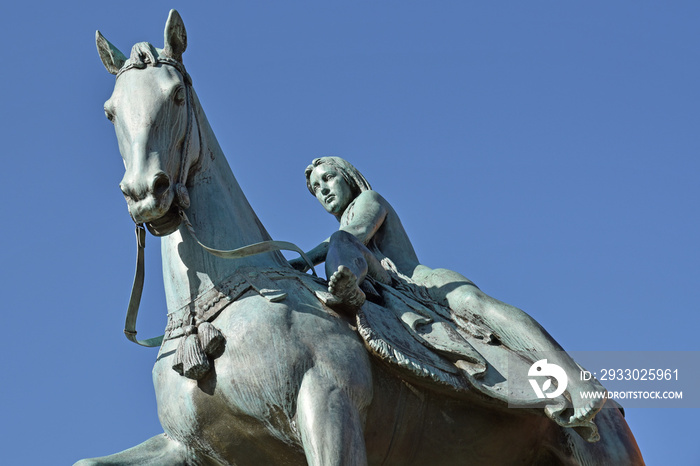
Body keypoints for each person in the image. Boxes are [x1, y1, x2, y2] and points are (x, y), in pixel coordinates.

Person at [290, 156, 605, 431]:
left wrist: (308, 259)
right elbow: (328, 245)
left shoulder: (369, 200)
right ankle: (351, 288)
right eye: (316, 189)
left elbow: (356, 234)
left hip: (422, 283)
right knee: (338, 243)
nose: (324, 190)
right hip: (380, 282)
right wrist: (295, 262)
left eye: (328, 178)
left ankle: (577, 382)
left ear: (347, 177)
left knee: (478, 306)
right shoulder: (339, 235)